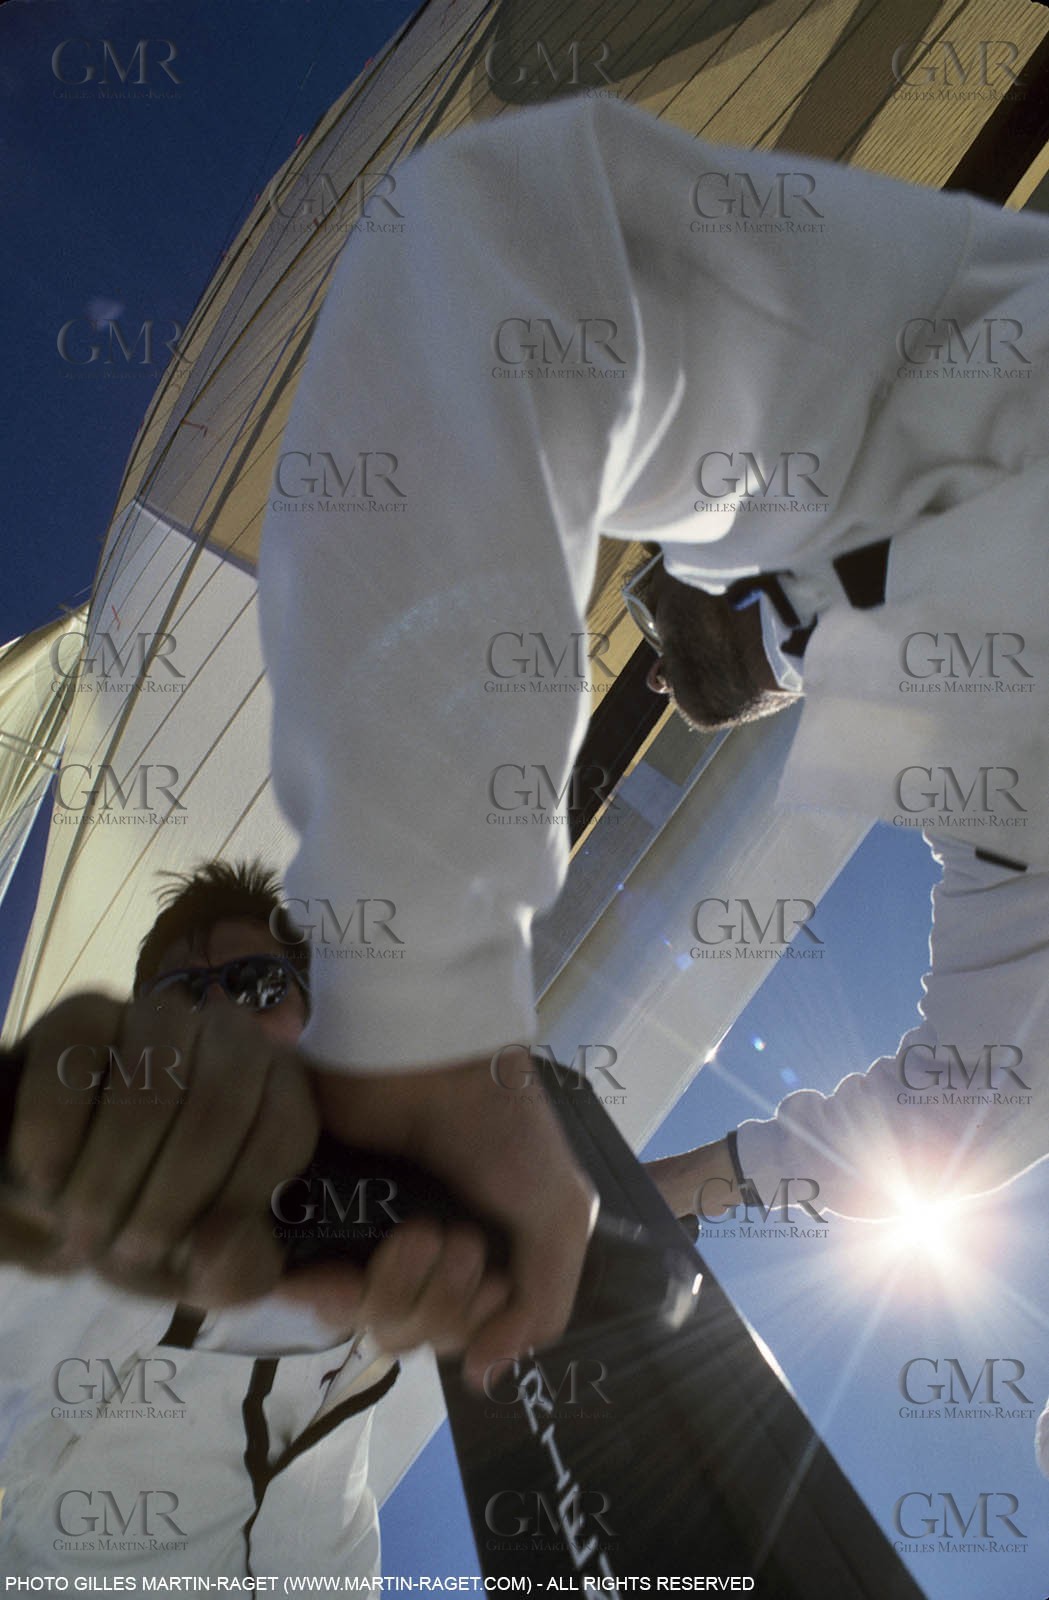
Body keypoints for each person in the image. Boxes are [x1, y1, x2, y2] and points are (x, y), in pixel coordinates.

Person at [0, 861, 401, 1578]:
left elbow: (318, 1526)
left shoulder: (371, 1243)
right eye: (183, 993)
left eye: (257, 984)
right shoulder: (69, 1191)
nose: (221, 1012)